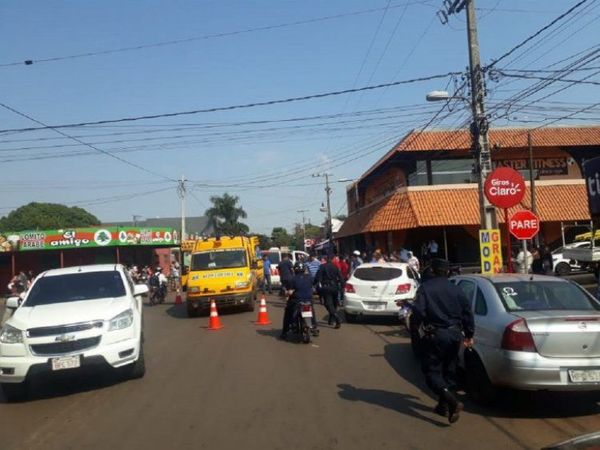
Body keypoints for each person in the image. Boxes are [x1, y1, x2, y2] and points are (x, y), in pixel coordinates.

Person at [411, 258, 475, 424]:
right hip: (455, 335)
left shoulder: (426, 288)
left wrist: (418, 329)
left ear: (432, 270)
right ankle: (443, 406)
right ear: (447, 272)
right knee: (449, 370)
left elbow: (418, 311)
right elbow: (467, 313)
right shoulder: (457, 289)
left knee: (431, 371)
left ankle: (452, 401)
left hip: (436, 335)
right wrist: (469, 335)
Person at [280, 262, 318, 340]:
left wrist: (287, 293)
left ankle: (285, 331)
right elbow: (313, 287)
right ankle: (314, 326)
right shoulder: (310, 277)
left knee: (288, 312)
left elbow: (290, 292)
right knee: (312, 310)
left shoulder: (293, 279)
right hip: (308, 300)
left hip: (297, 301)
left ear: (295, 270)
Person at [315, 255, 343, 328]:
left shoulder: (322, 267)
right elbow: (340, 277)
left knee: (328, 304)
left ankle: (337, 318)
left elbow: (317, 278)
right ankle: (331, 319)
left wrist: (315, 284)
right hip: (335, 287)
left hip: (326, 287)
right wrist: (342, 286)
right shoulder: (335, 267)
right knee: (334, 304)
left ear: (326, 260)